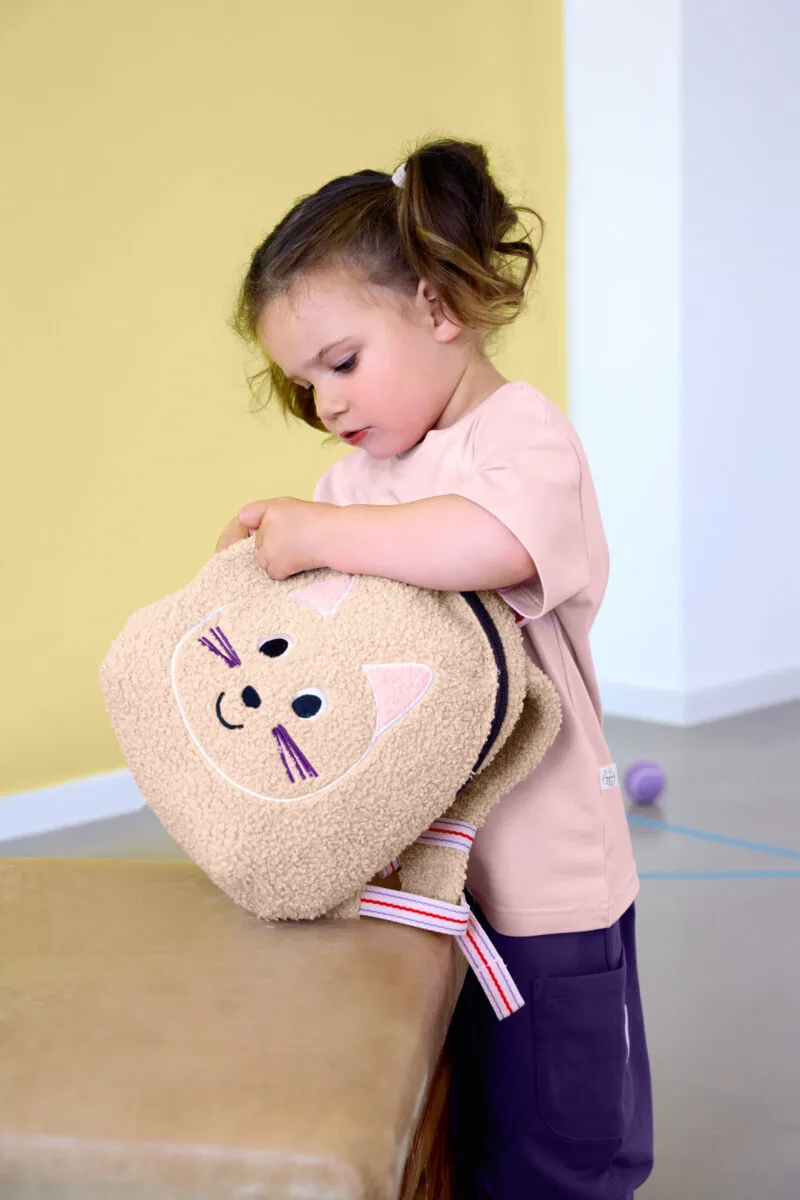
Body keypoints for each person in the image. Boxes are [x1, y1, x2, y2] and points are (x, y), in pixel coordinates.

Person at [216, 137, 654, 1199]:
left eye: (341, 362)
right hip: (418, 878)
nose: (326, 403)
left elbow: (490, 542)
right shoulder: (352, 482)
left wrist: (322, 535)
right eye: (303, 383)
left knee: (560, 1134)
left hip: (542, 875)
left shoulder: (521, 437)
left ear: (436, 306)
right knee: (448, 1116)